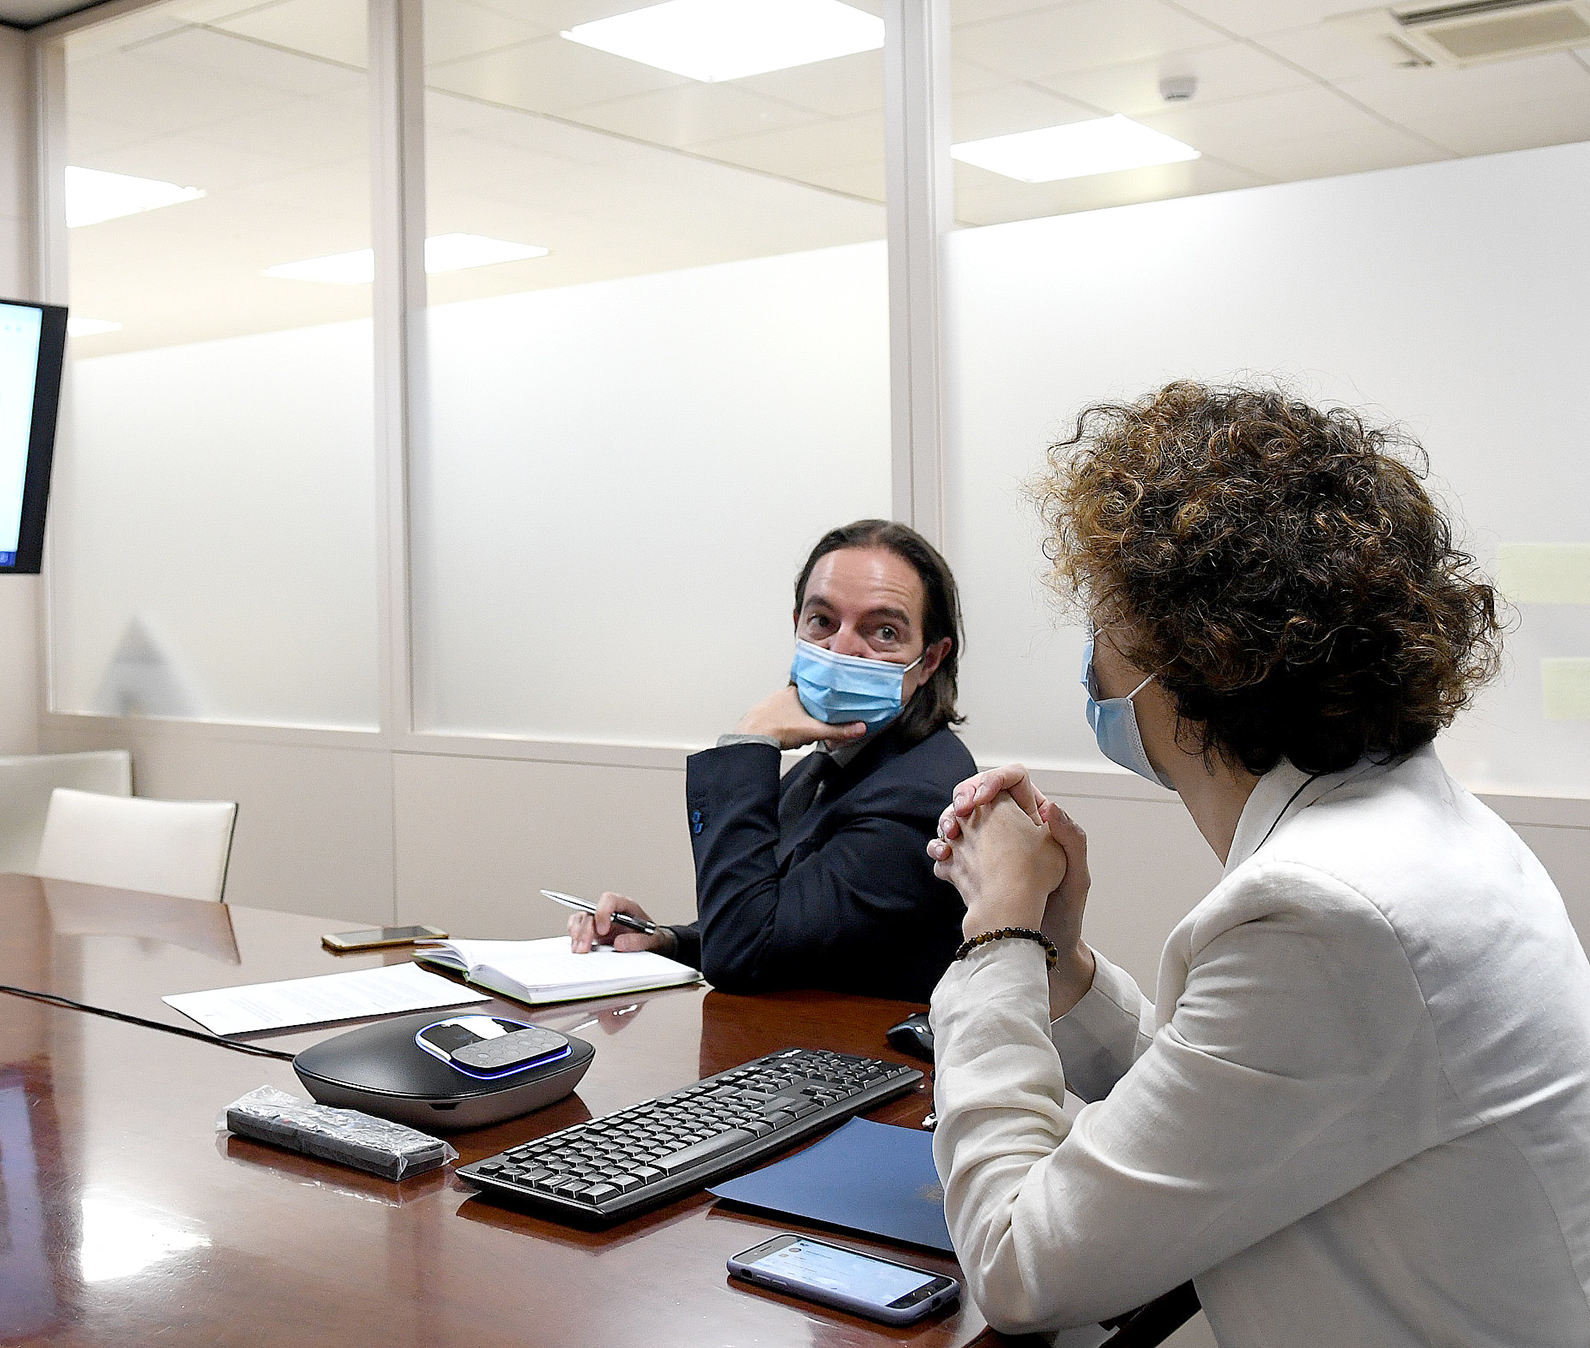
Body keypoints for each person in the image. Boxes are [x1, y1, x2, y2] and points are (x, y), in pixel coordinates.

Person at [925, 382, 1590, 1344]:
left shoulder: (1327, 911)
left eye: (1105, 622)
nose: (1093, 659)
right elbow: (1235, 1108)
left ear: (1190, 658)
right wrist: (1061, 964)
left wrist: (998, 933)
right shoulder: (1416, 828)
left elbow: (1020, 1264)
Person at [568, 519, 976, 1000]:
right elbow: (778, 921)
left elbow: (747, 955)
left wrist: (749, 741)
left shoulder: (922, 795)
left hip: (876, 1067)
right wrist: (666, 941)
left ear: (929, 659)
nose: (842, 647)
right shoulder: (829, 765)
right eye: (822, 621)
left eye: (883, 630)